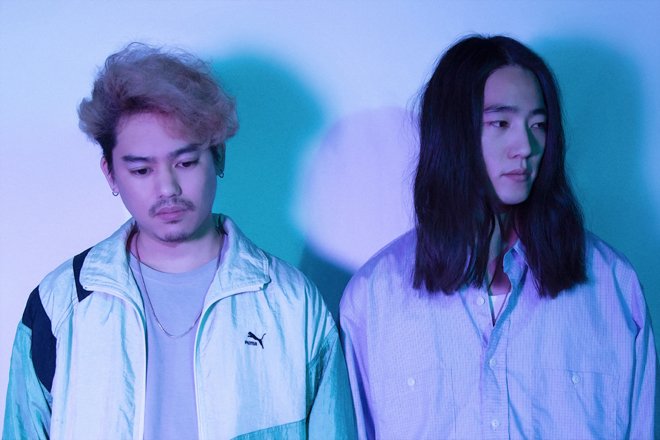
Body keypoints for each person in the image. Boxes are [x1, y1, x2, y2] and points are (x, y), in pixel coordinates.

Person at [3, 43, 355, 440]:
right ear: (110, 174)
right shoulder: (60, 303)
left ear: (218, 156)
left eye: (185, 162)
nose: (167, 188)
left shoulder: (292, 302)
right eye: (141, 170)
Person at [340, 35, 656, 439]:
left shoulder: (613, 287)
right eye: (500, 123)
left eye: (538, 125)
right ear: (454, 133)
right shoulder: (373, 300)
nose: (526, 146)